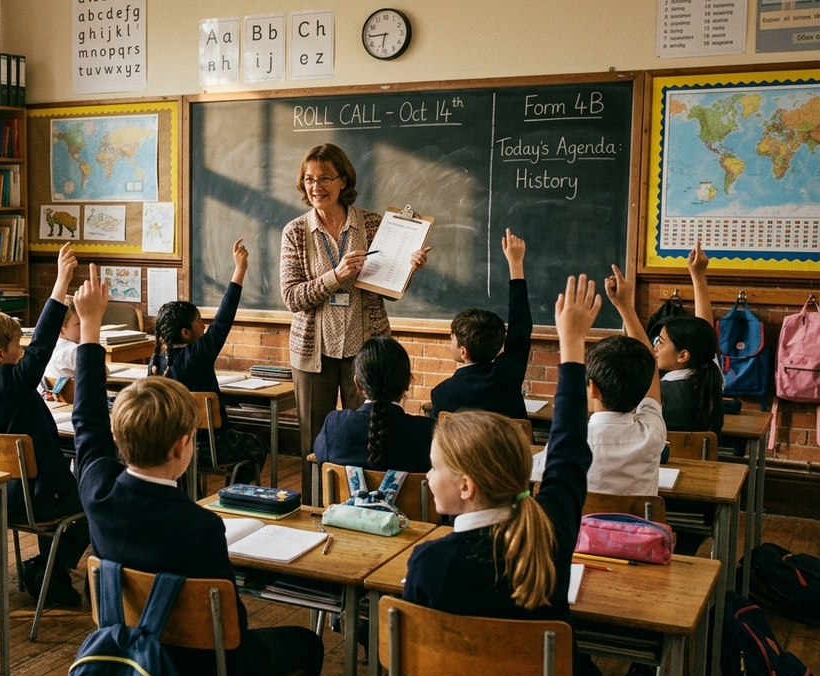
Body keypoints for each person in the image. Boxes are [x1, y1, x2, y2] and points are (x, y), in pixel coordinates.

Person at [71, 263, 324, 676]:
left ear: (118, 435)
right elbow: (231, 630)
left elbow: (86, 417)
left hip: (123, 661)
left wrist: (89, 325)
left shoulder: (96, 490)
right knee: (306, 643)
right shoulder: (200, 526)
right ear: (185, 444)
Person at [399, 273, 598, 676]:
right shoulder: (550, 529)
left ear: (466, 486)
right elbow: (568, 447)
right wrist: (572, 347)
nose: (427, 476)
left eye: (435, 467)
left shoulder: (431, 563)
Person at [279, 143, 430, 503]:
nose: (316, 187)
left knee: (366, 441)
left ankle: (369, 508)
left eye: (325, 178)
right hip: (313, 354)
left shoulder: (374, 224)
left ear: (343, 180)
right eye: (309, 179)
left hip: (364, 353)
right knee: (315, 444)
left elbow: (388, 291)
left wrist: (407, 269)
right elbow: (292, 298)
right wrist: (336, 276)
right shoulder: (296, 232)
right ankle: (316, 508)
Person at [0, 243, 90, 607]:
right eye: (18, 345)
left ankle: (51, 571)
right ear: (1, 356)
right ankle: (48, 567)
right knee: (98, 501)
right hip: (34, 500)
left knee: (64, 488)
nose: (24, 349)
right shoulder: (8, 383)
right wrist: (61, 283)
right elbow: (43, 344)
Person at [536, 262, 667, 497]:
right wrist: (625, 307)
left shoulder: (567, 446)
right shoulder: (652, 434)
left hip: (578, 535)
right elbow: (652, 371)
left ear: (593, 388)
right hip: (640, 533)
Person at [148, 238, 264, 486]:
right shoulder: (198, 354)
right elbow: (223, 319)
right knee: (256, 446)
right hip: (210, 446)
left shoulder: (156, 361)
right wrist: (239, 270)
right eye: (199, 321)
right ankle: (232, 493)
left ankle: (191, 494)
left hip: (171, 447)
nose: (205, 324)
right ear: (185, 333)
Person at [429, 229, 531, 420]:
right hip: (510, 450)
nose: (449, 340)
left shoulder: (442, 394)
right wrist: (516, 264)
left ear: (464, 351)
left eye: (452, 338)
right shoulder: (507, 375)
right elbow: (520, 326)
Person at [312, 336, 433, 473]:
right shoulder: (426, 433)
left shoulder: (335, 427)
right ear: (406, 383)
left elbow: (320, 457)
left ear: (357, 384)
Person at [656, 243, 723, 436]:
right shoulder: (710, 380)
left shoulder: (656, 394)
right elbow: (703, 332)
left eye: (660, 342)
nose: (655, 349)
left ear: (683, 355)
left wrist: (625, 308)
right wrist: (698, 276)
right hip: (705, 464)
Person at [39, 296, 80, 400]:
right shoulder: (74, 351)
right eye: (79, 324)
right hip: (74, 402)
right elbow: (102, 372)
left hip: (54, 402)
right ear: (61, 331)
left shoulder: (47, 346)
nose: (85, 326)